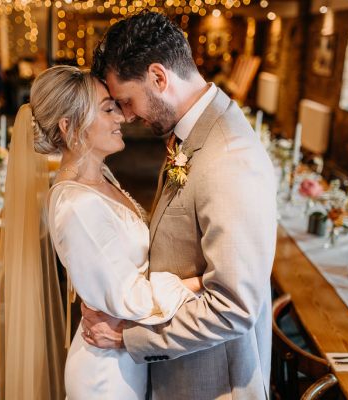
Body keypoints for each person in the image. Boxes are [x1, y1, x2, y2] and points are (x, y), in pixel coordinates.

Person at [82, 11, 277, 400]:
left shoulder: (228, 157)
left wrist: (129, 336)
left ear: (158, 77)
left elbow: (235, 306)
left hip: (212, 384)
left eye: (127, 100)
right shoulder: (191, 133)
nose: (129, 115)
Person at [0, 65, 203, 399]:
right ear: (69, 126)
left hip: (125, 353)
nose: (121, 117)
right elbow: (132, 298)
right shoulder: (77, 206)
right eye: (108, 109)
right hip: (106, 373)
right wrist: (204, 282)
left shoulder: (101, 177)